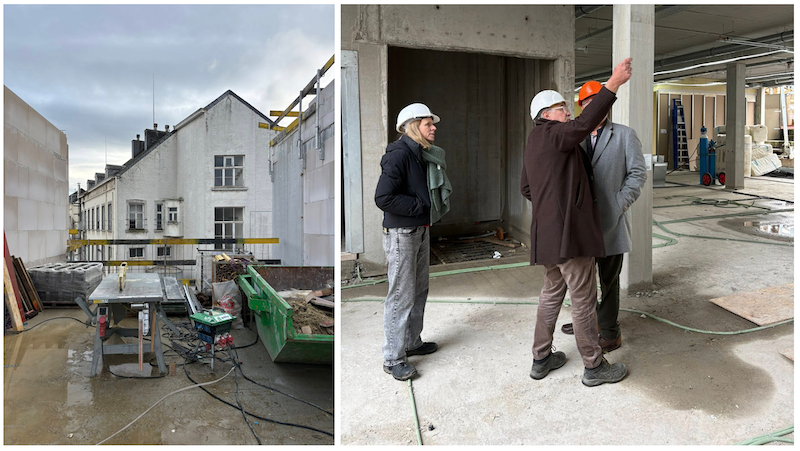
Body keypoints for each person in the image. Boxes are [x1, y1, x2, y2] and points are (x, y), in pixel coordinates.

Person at [521, 58, 632, 387]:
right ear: (546, 116)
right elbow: (584, 124)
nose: (567, 112)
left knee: (551, 294)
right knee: (583, 299)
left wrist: (553, 208)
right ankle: (594, 367)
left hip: (548, 238)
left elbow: (526, 188)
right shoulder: (555, 134)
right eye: (561, 108)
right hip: (570, 237)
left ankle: (541, 358)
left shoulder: (532, 142)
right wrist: (612, 84)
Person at [559, 81, 648, 353]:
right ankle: (586, 320)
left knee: (608, 279)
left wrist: (620, 203)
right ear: (583, 107)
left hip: (611, 221)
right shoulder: (574, 137)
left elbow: (638, 174)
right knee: (582, 279)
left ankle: (609, 330)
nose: (593, 107)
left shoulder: (624, 135)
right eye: (587, 103)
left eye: (598, 102)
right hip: (582, 223)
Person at [374, 103, 442, 381]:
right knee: (401, 296)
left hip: (419, 230)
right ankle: (393, 358)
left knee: (419, 290)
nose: (434, 127)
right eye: (428, 123)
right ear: (414, 126)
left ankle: (412, 341)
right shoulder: (399, 155)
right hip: (402, 234)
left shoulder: (419, 154)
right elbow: (383, 198)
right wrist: (420, 206)